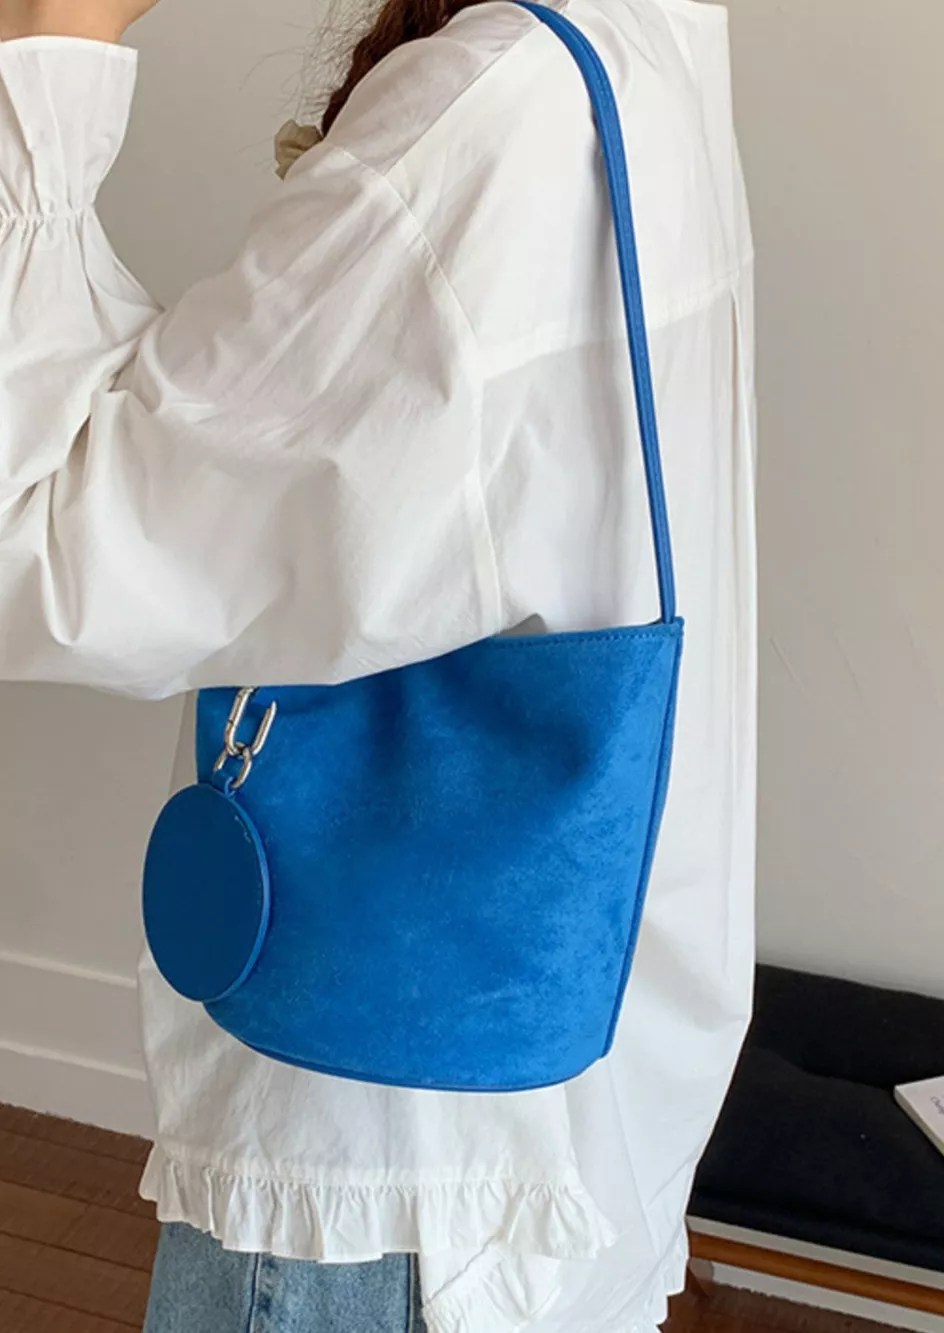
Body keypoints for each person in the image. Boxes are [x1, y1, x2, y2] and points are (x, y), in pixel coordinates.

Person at [0, 0, 757, 1329]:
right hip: (554, 1140)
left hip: (384, 1182)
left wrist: (45, 53)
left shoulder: (493, 114)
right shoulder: (642, 38)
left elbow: (38, 530)